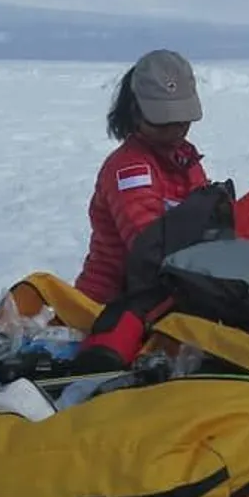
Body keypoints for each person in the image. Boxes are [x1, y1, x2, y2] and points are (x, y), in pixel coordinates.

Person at [74, 49, 210, 305]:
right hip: (112, 305)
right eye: (164, 122)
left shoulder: (185, 160)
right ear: (135, 113)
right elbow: (149, 246)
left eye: (182, 121)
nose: (175, 130)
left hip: (161, 295)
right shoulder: (129, 170)